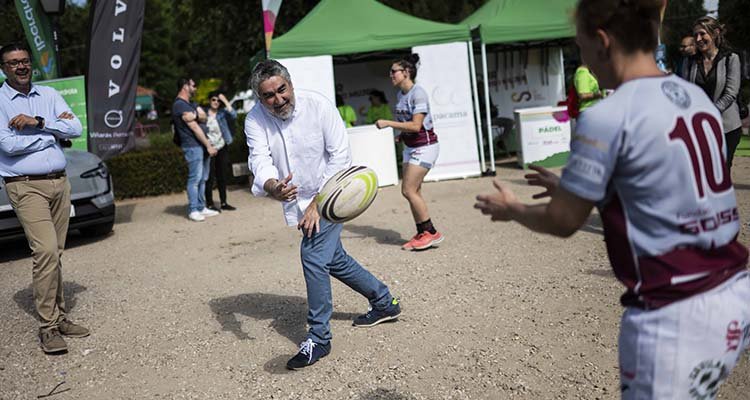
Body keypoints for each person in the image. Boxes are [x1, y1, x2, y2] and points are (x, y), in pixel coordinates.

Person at [474, 0, 750, 398]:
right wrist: (589, 190)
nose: (581, 60)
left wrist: (513, 209)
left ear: (602, 42)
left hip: (673, 311)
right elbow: (668, 192)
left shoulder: (607, 116)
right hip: (732, 293)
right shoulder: (695, 98)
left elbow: (563, 221)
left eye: (580, 47)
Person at [244, 60, 401, 370]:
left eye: (282, 90)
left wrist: (318, 202)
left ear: (290, 84)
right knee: (334, 259)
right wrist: (272, 185)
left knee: (313, 257)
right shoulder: (254, 120)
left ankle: (319, 337)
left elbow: (340, 155)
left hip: (333, 196)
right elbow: (259, 159)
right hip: (296, 201)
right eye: (269, 96)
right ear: (259, 98)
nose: (278, 100)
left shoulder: (318, 106)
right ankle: (384, 302)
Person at [0, 43, 89, 354]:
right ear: (3, 69)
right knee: (46, 251)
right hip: (25, 186)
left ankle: (60, 316)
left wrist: (37, 123)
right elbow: (7, 145)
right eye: (13, 63)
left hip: (58, 183)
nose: (21, 66)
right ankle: (48, 327)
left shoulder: (48, 96)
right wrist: (52, 134)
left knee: (57, 253)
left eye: (25, 61)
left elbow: (75, 128)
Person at [375, 54, 444, 251]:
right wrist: (401, 136)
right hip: (410, 147)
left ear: (406, 73)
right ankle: (423, 231)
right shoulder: (401, 95)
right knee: (415, 191)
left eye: (394, 71)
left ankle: (431, 233)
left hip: (425, 147)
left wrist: (388, 123)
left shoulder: (418, 93)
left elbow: (415, 125)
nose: (391, 75)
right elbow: (409, 127)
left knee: (408, 190)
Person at [683, 16, 743, 173]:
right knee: (699, 170)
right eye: (695, 35)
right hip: (698, 127)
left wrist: (709, 114)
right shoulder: (689, 62)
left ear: (715, 33)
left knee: (721, 171)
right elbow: (686, 91)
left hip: (726, 127)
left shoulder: (731, 59)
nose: (698, 39)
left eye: (702, 34)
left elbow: (730, 93)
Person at [172, 78, 219, 222]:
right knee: (195, 179)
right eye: (193, 85)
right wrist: (208, 145)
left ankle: (201, 206)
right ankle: (193, 209)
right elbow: (194, 127)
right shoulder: (179, 105)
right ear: (185, 86)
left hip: (199, 146)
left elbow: (204, 117)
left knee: (203, 178)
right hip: (192, 146)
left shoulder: (190, 104)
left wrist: (196, 115)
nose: (196, 88)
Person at [204, 91, 237, 212]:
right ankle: (209, 204)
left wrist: (225, 100)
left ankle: (223, 202)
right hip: (209, 148)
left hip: (222, 146)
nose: (216, 102)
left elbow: (234, 115)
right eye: (213, 99)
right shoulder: (204, 114)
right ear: (209, 101)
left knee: (222, 175)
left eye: (218, 100)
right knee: (209, 177)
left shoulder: (222, 113)